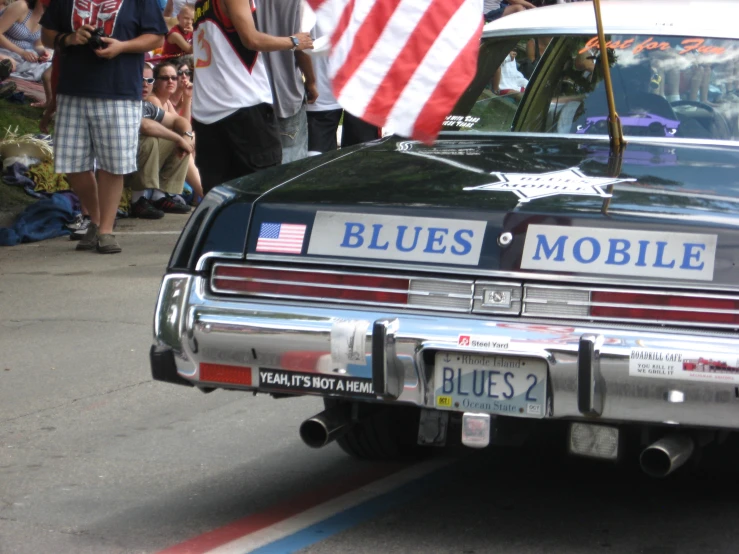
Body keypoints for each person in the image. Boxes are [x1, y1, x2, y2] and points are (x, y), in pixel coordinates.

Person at [40, 0, 168, 254]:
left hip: (119, 91)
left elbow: (156, 38)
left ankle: (106, 230)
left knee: (114, 164)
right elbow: (46, 35)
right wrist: (69, 38)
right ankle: (96, 221)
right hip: (72, 91)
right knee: (72, 164)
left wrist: (122, 47)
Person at [191, 0, 313, 193]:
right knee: (263, 193)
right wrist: (294, 41)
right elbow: (251, 39)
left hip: (208, 113)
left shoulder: (201, 4)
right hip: (243, 109)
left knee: (222, 198)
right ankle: (267, 225)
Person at [127, 63, 194, 218]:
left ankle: (159, 196)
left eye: (149, 80)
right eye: (165, 78)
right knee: (151, 140)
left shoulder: (147, 105)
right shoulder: (129, 101)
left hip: (136, 161)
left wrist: (186, 137)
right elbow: (146, 126)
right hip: (118, 165)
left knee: (184, 142)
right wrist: (180, 138)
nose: (145, 84)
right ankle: (138, 200)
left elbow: (181, 122)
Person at [256, 0, 317, 163]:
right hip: (286, 94)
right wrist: (311, 82)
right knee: (291, 169)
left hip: (253, 97)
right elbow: (302, 47)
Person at [147, 59, 203, 205]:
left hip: (160, 153)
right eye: (165, 78)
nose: (171, 81)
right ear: (156, 81)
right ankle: (203, 192)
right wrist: (184, 138)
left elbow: (183, 125)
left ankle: (200, 194)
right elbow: (168, 132)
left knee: (191, 138)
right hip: (149, 155)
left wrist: (187, 97)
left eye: (174, 77)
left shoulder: (166, 102)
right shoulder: (153, 100)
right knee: (183, 143)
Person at [0, 0, 53, 107]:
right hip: (4, 50)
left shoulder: (46, 17)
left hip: (24, 56)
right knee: (9, 64)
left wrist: (43, 52)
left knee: (49, 69)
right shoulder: (21, 6)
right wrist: (22, 52)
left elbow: (37, 44)